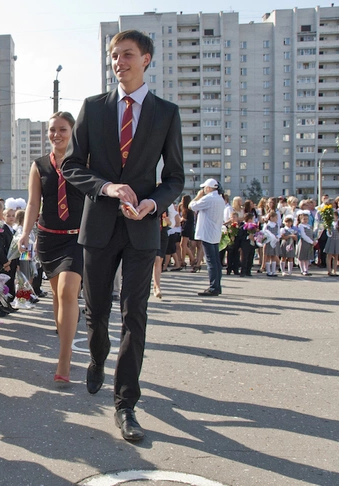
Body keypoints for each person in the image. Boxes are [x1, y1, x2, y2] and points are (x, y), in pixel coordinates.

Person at [61, 30, 184, 442]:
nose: (119, 62)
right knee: (96, 314)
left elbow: (175, 178)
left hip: (141, 228)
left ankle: (126, 403)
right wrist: (107, 188)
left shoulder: (166, 113)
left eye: (127, 55)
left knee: (135, 315)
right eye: (114, 56)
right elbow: (72, 166)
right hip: (98, 227)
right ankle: (97, 356)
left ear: (146, 59)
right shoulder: (94, 108)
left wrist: (154, 203)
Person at [19, 111, 84, 383]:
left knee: (68, 291)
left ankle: (64, 358)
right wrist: (25, 234)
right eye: (52, 130)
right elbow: (34, 203)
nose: (56, 134)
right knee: (57, 297)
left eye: (62, 129)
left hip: (77, 238)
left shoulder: (84, 160)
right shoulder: (39, 165)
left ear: (73, 131)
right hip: (49, 238)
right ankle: (64, 341)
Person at [189, 178, 225, 296]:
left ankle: (213, 287)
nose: (203, 190)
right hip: (215, 232)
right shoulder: (220, 199)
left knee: (211, 261)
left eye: (204, 188)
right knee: (216, 261)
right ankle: (217, 285)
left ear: (209, 188)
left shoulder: (208, 198)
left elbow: (192, 206)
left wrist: (198, 196)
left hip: (207, 232)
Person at [324, 210, 339, 277]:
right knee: (329, 255)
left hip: (337, 241)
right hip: (331, 240)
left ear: (337, 217)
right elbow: (328, 234)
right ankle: (329, 270)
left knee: (336, 256)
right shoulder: (329, 223)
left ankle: (334, 270)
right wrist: (329, 231)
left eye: (334, 216)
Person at [295, 211, 314, 276]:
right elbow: (303, 235)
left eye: (307, 219)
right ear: (300, 219)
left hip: (309, 243)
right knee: (302, 257)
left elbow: (312, 234)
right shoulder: (301, 226)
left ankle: (306, 269)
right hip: (303, 243)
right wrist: (311, 241)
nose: (306, 220)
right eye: (304, 219)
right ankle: (302, 270)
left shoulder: (309, 226)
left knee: (307, 257)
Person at [262, 211, 280, 277]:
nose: (276, 219)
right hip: (269, 242)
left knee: (274, 256)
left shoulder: (276, 225)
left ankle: (273, 271)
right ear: (271, 218)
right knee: (268, 256)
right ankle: (268, 271)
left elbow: (278, 232)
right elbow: (264, 233)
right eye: (275, 217)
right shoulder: (267, 225)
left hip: (275, 241)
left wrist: (277, 237)